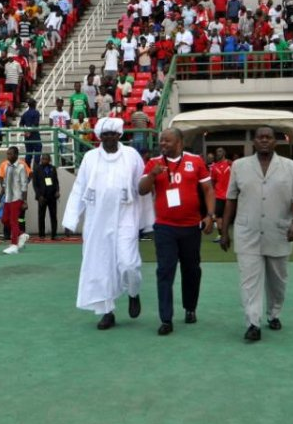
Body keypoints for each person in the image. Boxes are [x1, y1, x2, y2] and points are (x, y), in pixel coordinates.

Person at [219, 127, 293, 341]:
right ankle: (252, 323)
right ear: (254, 142)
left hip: (280, 231)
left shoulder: (290, 167)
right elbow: (231, 199)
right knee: (249, 281)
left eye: (268, 137)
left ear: (276, 141)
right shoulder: (239, 166)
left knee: (278, 281)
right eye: (260, 137)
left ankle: (274, 313)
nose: (264, 140)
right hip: (247, 232)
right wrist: (225, 230)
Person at [63, 118, 146, 330]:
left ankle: (133, 292)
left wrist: (147, 221)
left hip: (126, 216)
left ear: (120, 135)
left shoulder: (132, 156)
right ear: (100, 136)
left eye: (113, 133)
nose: (109, 137)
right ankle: (107, 312)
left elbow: (142, 188)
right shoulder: (90, 158)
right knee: (100, 265)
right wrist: (71, 219)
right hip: (97, 219)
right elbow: (79, 189)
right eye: (105, 134)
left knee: (129, 263)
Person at [138, 128, 216, 336]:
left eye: (167, 141)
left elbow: (208, 189)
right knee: (165, 272)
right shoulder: (154, 162)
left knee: (192, 270)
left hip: (191, 227)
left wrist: (210, 215)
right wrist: (153, 175)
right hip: (165, 228)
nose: (163, 144)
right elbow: (142, 190)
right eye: (161, 141)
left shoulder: (195, 161)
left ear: (179, 143)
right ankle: (166, 319)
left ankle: (190, 307)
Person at [0, 146, 29, 254]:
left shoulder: (21, 167)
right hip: (7, 198)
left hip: (17, 198)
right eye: (7, 154)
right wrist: (0, 196)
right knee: (4, 220)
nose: (8, 156)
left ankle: (14, 245)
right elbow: (5, 183)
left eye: (10, 154)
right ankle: (21, 235)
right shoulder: (6, 166)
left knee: (13, 221)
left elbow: (24, 185)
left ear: (16, 155)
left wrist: (25, 201)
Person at [33, 154, 60, 240]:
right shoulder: (37, 169)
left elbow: (56, 181)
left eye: (46, 159)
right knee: (41, 216)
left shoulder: (53, 168)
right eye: (42, 159)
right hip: (42, 197)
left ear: (49, 160)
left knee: (53, 216)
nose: (44, 160)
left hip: (52, 196)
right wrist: (39, 195)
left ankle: (54, 234)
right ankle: (41, 234)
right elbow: (35, 184)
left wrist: (57, 191)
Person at [209, 147, 230, 242]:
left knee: (228, 216)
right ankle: (221, 235)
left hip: (230, 196)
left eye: (220, 151)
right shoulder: (214, 167)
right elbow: (212, 181)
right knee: (218, 217)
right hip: (219, 196)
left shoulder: (230, 164)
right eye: (217, 152)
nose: (218, 153)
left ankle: (226, 234)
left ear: (224, 152)